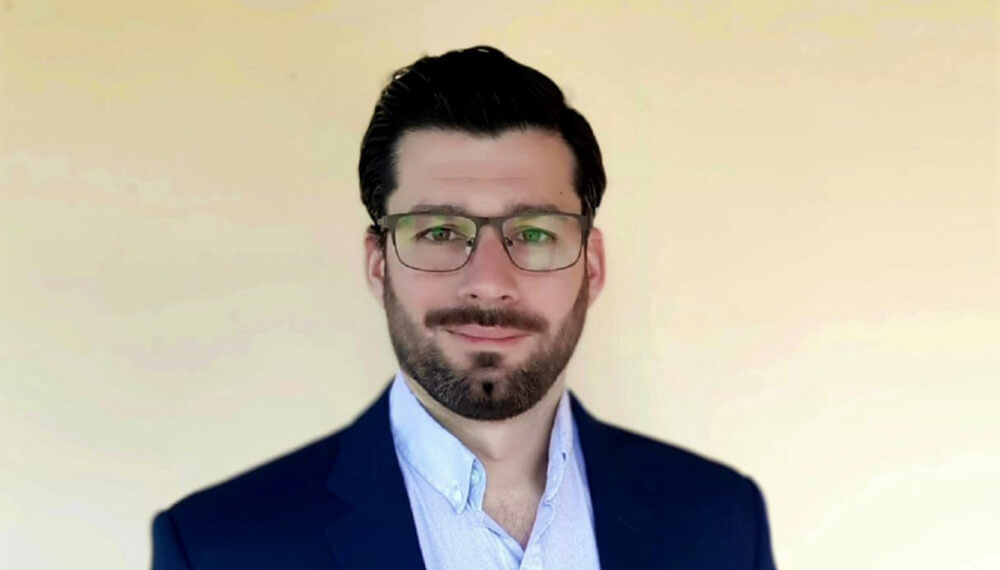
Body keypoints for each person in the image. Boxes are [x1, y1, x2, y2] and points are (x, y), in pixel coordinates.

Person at [151, 45, 777, 570]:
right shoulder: (217, 548)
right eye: (439, 231)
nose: (488, 283)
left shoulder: (722, 522)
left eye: (534, 232)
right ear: (378, 264)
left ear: (592, 267)